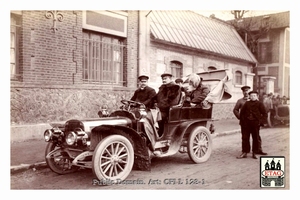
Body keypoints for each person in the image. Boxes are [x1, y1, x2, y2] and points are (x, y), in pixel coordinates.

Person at [239, 91, 268, 159]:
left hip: (255, 124)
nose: (253, 97)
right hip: (246, 124)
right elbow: (242, 113)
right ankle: (245, 152)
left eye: (254, 95)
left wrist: (260, 122)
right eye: (251, 96)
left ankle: (254, 153)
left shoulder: (260, 103)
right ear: (249, 96)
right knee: (245, 138)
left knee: (255, 138)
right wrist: (243, 121)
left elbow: (264, 114)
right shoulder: (247, 103)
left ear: (257, 96)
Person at [154, 72, 181, 136]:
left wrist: (159, 106)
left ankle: (161, 134)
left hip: (170, 110)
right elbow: (156, 97)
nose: (164, 80)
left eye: (165, 79)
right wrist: (154, 102)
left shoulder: (175, 87)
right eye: (163, 79)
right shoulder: (162, 87)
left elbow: (171, 100)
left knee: (157, 117)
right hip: (161, 109)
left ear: (170, 79)